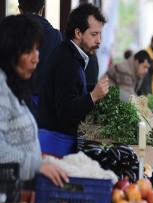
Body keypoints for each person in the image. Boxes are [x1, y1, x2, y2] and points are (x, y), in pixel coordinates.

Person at [0, 14, 68, 186]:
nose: (36, 58)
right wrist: (36, 164)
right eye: (28, 51)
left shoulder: (13, 86)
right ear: (9, 52)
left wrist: (38, 157)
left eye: (37, 49)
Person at [37, 3, 109, 157]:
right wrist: (94, 96)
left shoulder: (67, 53)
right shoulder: (67, 62)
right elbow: (67, 113)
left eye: (100, 34)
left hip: (55, 141)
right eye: (94, 34)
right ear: (78, 33)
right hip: (55, 145)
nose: (99, 40)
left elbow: (71, 88)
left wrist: (93, 88)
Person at [18, 0, 62, 119]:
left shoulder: (10, 33)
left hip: (16, 100)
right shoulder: (55, 35)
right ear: (42, 9)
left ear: (20, 9)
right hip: (44, 104)